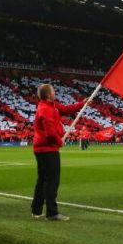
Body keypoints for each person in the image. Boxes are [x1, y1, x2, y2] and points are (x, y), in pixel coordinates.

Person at [31, 83, 86, 221]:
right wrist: (59, 142)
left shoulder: (51, 105)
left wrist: (82, 103)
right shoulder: (46, 109)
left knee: (42, 180)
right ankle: (51, 213)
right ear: (48, 95)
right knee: (52, 181)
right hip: (47, 149)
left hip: (43, 148)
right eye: (53, 91)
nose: (55, 93)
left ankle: (36, 210)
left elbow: (66, 109)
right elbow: (50, 133)